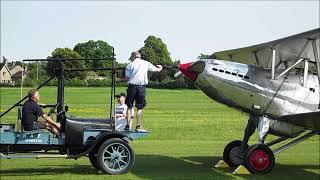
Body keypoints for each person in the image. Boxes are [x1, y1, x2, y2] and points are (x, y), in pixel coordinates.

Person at [117, 51, 163, 132]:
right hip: (141, 88)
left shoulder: (130, 65)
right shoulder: (146, 63)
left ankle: (127, 125)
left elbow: (127, 78)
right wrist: (160, 67)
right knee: (139, 108)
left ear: (133, 57)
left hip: (132, 87)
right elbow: (157, 70)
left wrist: (117, 79)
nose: (130, 60)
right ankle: (138, 126)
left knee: (129, 106)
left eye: (131, 58)